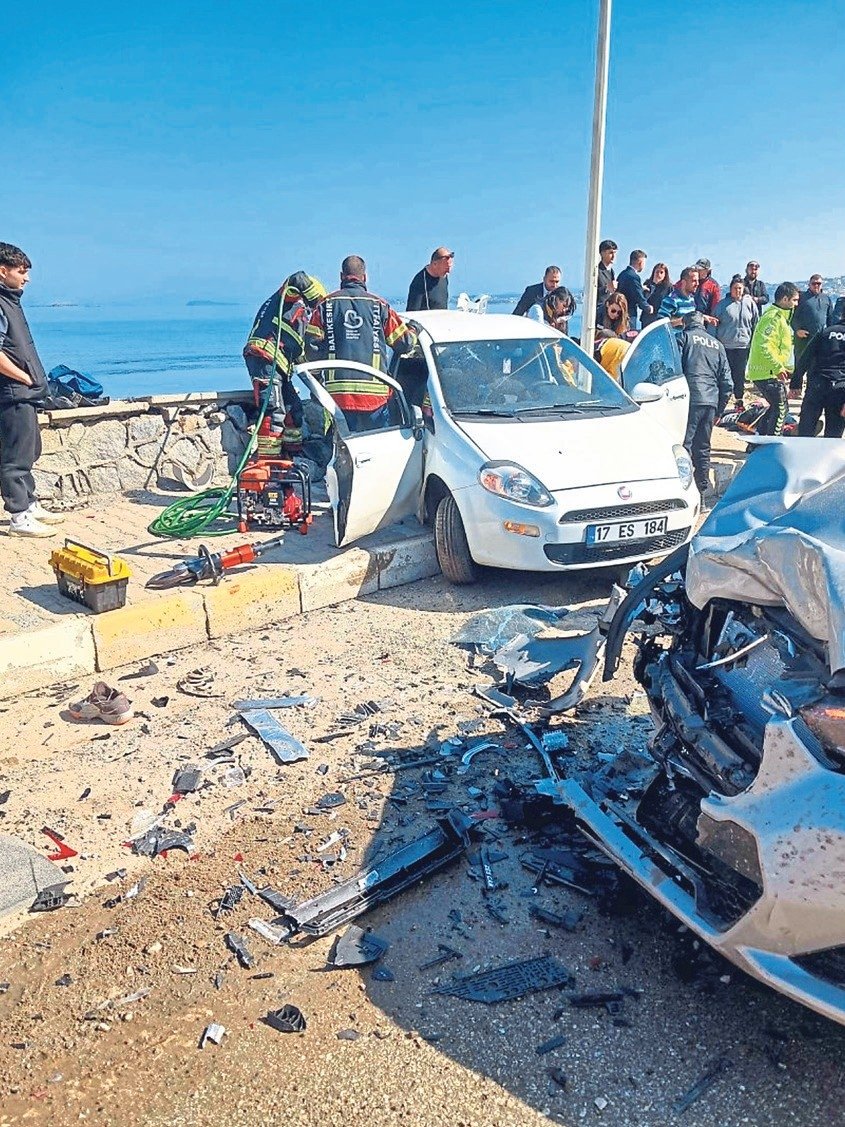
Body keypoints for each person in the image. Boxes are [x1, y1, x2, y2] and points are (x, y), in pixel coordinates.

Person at [306, 255, 417, 431]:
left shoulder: (325, 305)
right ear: (365, 277)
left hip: (338, 396)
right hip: (375, 398)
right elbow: (404, 344)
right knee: (378, 443)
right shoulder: (380, 306)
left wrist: (317, 382)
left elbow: (312, 348)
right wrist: (413, 330)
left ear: (341, 276)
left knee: (343, 444)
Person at [0, 242, 64, 537]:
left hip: (24, 393)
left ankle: (30, 505)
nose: (27, 278)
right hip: (13, 393)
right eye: (21, 271)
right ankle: (19, 518)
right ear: (3, 271)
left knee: (29, 451)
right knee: (15, 458)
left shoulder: (10, 300)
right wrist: (24, 378)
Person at [243, 271, 327, 449]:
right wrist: (319, 303)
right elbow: (297, 278)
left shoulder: (301, 319)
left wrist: (317, 385)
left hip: (280, 366)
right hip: (263, 357)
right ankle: (268, 459)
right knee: (273, 411)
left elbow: (302, 357)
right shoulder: (288, 298)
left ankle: (292, 455)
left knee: (294, 413)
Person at [676, 311, 732, 497]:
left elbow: (674, 369)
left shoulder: (683, 338)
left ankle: (682, 489)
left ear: (685, 324)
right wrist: (719, 410)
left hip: (688, 400)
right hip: (710, 401)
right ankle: (702, 489)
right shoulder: (717, 345)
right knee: (703, 447)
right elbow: (727, 383)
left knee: (684, 445)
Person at [746, 281, 800, 437]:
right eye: (794, 300)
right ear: (785, 299)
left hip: (771, 371)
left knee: (777, 407)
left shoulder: (782, 318)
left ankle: (759, 439)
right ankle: (772, 441)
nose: (796, 304)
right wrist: (777, 367)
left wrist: (787, 367)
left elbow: (780, 346)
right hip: (766, 372)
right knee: (781, 409)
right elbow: (763, 345)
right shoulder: (773, 317)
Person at [712, 275, 759, 410]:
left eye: (740, 288)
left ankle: (739, 402)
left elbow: (756, 323)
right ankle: (721, 403)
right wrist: (713, 344)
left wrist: (755, 342)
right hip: (725, 346)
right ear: (730, 289)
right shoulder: (722, 305)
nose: (738, 291)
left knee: (739, 375)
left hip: (743, 345)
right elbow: (713, 325)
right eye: (735, 288)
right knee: (725, 376)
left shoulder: (750, 304)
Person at [796, 312, 845, 437]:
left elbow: (805, 357)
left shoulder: (825, 332)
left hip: (817, 385)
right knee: (833, 437)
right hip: (840, 390)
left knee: (805, 431)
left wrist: (795, 383)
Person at [791, 275, 834, 390]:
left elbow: (831, 320)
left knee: (815, 367)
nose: (816, 286)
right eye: (814, 283)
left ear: (822, 285)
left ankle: (810, 391)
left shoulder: (827, 299)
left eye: (818, 283)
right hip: (803, 339)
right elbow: (793, 317)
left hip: (820, 340)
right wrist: (797, 330)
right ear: (809, 284)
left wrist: (831, 337)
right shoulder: (801, 298)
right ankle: (796, 389)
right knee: (799, 365)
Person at [616, 250, 652, 330]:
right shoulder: (634, 277)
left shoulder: (622, 274)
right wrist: (647, 307)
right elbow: (638, 296)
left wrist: (641, 287)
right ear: (640, 262)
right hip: (629, 314)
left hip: (619, 312)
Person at [642, 263, 672, 327]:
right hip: (648, 318)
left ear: (665, 274)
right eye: (657, 272)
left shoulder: (669, 287)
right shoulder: (647, 284)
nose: (659, 274)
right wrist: (653, 284)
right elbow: (643, 299)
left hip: (661, 318)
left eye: (661, 272)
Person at [596, 239, 618, 311]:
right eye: (611, 253)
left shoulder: (611, 271)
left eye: (615, 253)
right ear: (602, 253)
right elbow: (591, 292)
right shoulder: (597, 271)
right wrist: (607, 287)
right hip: (599, 309)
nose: (614, 256)